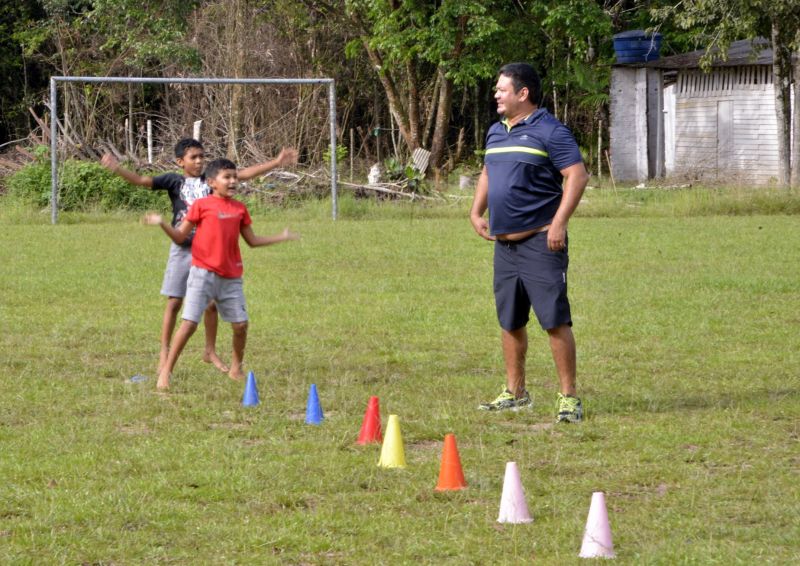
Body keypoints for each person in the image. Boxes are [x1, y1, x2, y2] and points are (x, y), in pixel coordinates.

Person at [101, 140, 298, 375]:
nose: (198, 161)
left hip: (209, 251)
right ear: (180, 161)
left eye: (201, 157)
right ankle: (165, 351)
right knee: (174, 302)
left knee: (211, 306)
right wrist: (117, 169)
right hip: (183, 246)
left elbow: (244, 173)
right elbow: (143, 181)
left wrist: (276, 162)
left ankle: (210, 350)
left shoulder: (213, 179)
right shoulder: (174, 181)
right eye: (193, 157)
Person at [469, 62, 589, 422]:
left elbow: (577, 176)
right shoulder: (495, 132)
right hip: (503, 246)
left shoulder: (551, 131)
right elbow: (488, 172)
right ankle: (516, 392)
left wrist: (558, 223)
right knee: (510, 321)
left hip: (540, 242)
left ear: (523, 94)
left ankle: (568, 398)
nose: (496, 94)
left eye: (502, 89)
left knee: (554, 320)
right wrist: (476, 212)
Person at [143, 157, 299, 390]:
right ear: (212, 182)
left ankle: (236, 368)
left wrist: (281, 237)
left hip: (231, 278)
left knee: (240, 325)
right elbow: (180, 237)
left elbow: (252, 241)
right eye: (227, 177)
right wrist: (162, 223)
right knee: (189, 324)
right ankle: (166, 371)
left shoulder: (239, 209)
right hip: (202, 274)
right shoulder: (201, 206)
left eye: (235, 177)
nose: (234, 181)